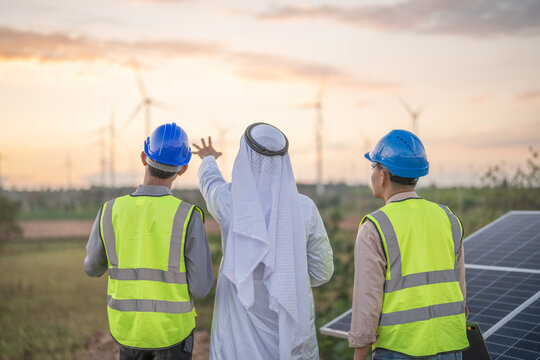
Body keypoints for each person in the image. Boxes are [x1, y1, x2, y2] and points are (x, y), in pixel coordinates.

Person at [192, 122, 334, 360]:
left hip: (238, 345)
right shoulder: (306, 209)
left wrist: (208, 159)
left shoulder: (230, 203)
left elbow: (211, 184)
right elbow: (323, 272)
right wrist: (287, 275)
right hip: (292, 340)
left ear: (244, 158)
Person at [84, 122, 214, 360]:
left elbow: (91, 268)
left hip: (127, 331)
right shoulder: (188, 216)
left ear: (144, 157)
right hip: (172, 334)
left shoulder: (110, 211)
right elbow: (201, 288)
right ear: (183, 168)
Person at [349, 129, 469, 360]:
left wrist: (359, 356)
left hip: (399, 350)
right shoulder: (449, 218)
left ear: (383, 175)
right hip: (451, 348)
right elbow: (460, 292)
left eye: (373, 166)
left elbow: (367, 306)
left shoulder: (374, 227)